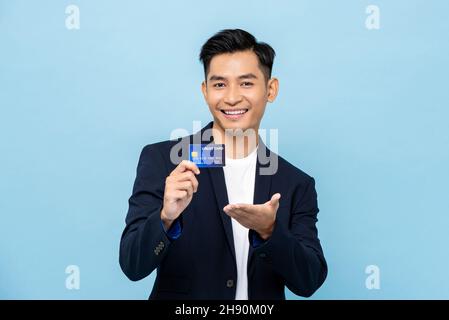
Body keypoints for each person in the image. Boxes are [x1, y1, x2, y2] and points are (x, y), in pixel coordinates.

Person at [119, 29, 327, 299]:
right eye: (219, 84)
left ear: (271, 89)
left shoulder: (295, 183)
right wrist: (165, 218)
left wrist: (269, 231)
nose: (231, 98)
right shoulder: (164, 161)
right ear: (205, 91)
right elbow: (133, 266)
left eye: (246, 83)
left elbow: (308, 281)